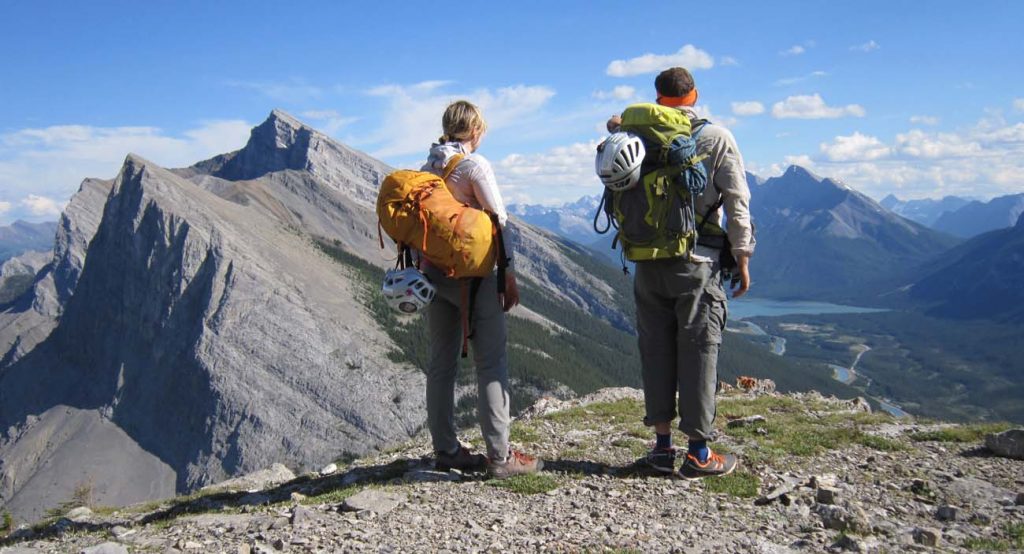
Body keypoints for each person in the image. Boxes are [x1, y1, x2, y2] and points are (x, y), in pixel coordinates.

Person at [610, 67, 755, 479]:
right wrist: (742, 255)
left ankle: (660, 448)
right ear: (694, 95)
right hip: (697, 264)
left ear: (657, 98)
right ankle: (699, 453)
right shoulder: (715, 138)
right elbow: (736, 201)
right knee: (698, 351)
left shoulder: (635, 138)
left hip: (646, 262)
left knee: (656, 351)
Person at [419, 100, 542, 479]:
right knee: (491, 362)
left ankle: (445, 449)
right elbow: (499, 220)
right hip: (474, 278)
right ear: (474, 130)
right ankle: (500, 456)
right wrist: (508, 273)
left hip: (433, 274)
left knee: (441, 363)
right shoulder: (474, 165)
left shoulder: (427, 167)